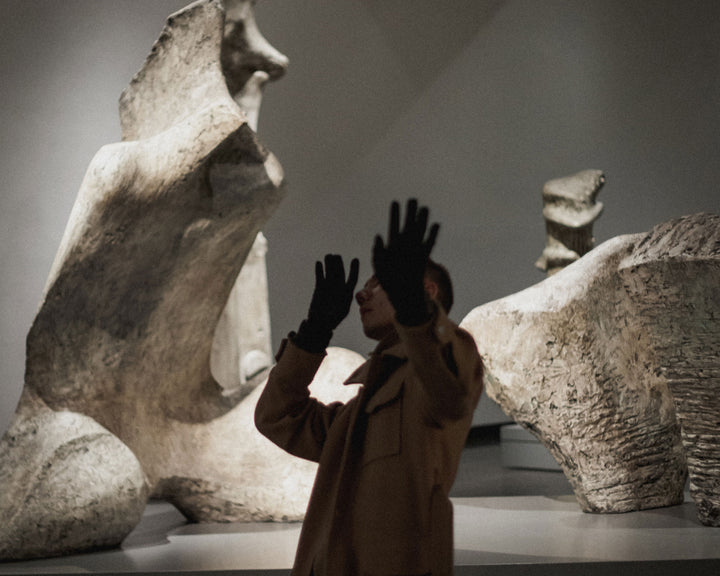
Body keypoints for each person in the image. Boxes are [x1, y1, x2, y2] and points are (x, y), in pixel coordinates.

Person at [254, 199, 484, 576]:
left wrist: (415, 312)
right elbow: (276, 416)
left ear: (423, 290)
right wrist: (313, 335)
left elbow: (448, 392)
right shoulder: (358, 414)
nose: (361, 295)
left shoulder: (444, 362)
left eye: (378, 285)